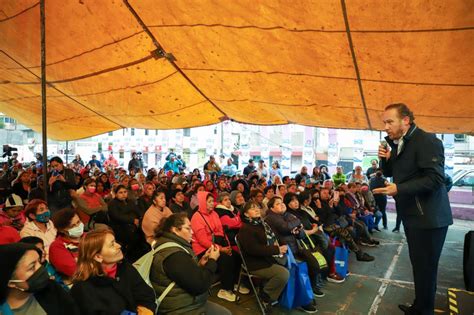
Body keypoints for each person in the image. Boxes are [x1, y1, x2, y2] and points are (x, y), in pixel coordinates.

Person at [374, 103, 453, 315]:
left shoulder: (427, 141)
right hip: (415, 215)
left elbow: (436, 178)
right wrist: (386, 158)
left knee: (426, 270)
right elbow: (393, 172)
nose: (386, 127)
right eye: (384, 123)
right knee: (420, 268)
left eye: (390, 121)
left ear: (406, 120)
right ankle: (420, 306)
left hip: (428, 218)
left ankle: (424, 311)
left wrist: (399, 188)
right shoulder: (402, 143)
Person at [150, 213, 231, 314]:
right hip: (180, 309)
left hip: (183, 303)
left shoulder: (169, 246)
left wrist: (200, 265)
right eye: (188, 228)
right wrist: (212, 261)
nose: (192, 232)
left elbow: (182, 275)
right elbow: (200, 286)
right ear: (175, 230)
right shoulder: (174, 254)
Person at [70, 230, 156, 314]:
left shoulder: (124, 268)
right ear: (98, 257)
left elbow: (146, 295)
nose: (119, 246)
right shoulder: (83, 289)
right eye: (112, 245)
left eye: (115, 241)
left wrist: (146, 311)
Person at [190, 191, 244, 302]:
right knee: (225, 258)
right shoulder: (197, 217)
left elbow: (220, 231)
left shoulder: (214, 214)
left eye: (212, 201)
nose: (211, 204)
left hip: (217, 244)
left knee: (236, 255)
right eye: (209, 202)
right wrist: (221, 249)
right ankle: (225, 290)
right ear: (202, 203)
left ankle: (234, 283)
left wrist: (225, 246)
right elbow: (203, 241)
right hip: (203, 249)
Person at [238, 201, 290, 311]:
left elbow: (273, 237)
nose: (257, 210)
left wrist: (282, 245)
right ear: (246, 214)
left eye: (257, 207)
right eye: (252, 208)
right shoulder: (246, 229)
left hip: (266, 258)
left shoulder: (262, 223)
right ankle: (266, 296)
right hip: (255, 263)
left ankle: (269, 294)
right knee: (283, 274)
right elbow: (253, 249)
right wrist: (277, 249)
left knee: (288, 266)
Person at [0, 243, 79, 315]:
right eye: (32, 267)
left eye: (39, 262)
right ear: (11, 283)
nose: (41, 268)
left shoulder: (51, 287)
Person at [49, 208, 84, 285]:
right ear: (62, 230)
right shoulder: (57, 247)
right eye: (72, 226)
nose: (78, 226)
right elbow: (76, 272)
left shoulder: (89, 236)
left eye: (78, 222)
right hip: (79, 285)